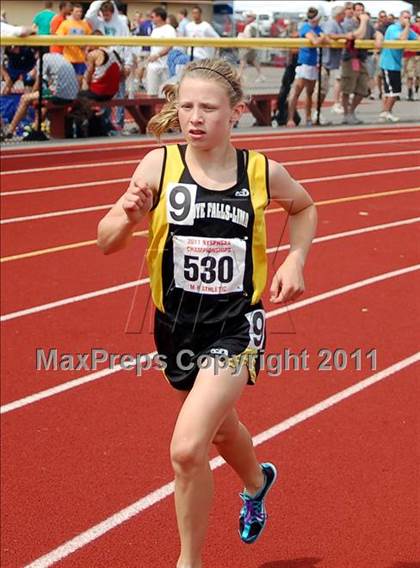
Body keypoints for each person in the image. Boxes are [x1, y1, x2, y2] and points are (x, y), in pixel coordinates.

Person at [97, 58, 317, 568]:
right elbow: (106, 242)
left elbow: (304, 207)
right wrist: (127, 219)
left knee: (187, 448)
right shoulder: (159, 166)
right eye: (186, 106)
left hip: (236, 325)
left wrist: (297, 259)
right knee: (220, 430)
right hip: (174, 325)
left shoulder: (261, 172)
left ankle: (189, 563)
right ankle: (259, 481)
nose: (193, 118)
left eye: (208, 108)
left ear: (236, 112)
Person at [3, 52, 78, 139]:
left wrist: (31, 96)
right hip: (73, 94)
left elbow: (39, 81)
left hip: (58, 92)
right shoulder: (59, 57)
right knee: (43, 103)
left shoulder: (42, 59)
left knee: (25, 98)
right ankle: (35, 129)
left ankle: (10, 130)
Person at [287, 7, 330, 127]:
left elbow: (325, 39)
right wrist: (321, 38)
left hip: (312, 64)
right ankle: (290, 118)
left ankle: (308, 117)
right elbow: (316, 41)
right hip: (304, 63)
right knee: (296, 91)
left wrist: (321, 38)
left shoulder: (317, 28)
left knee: (309, 93)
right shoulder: (306, 27)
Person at [341, 2, 381, 125]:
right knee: (347, 88)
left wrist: (379, 39)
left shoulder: (368, 24)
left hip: (362, 59)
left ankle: (352, 111)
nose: (360, 13)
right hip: (350, 58)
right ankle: (346, 114)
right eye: (357, 10)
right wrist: (363, 22)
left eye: (362, 10)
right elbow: (359, 35)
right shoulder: (348, 23)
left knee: (363, 88)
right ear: (353, 11)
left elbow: (376, 33)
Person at [378, 10, 418, 122]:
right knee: (393, 91)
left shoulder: (407, 30)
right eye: (405, 17)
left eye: (409, 18)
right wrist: (407, 27)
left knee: (392, 90)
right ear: (399, 18)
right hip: (388, 64)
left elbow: (417, 38)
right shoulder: (393, 28)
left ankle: (387, 111)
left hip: (396, 64)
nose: (407, 20)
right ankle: (385, 112)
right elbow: (402, 39)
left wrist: (408, 28)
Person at [319, 5, 352, 122]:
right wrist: (344, 36)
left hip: (332, 61)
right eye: (343, 13)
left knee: (325, 88)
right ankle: (315, 113)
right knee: (321, 89)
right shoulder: (331, 24)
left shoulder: (339, 25)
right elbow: (328, 35)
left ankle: (317, 113)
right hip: (324, 61)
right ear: (339, 14)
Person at [56, 3, 92, 84]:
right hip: (68, 58)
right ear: (72, 12)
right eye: (77, 11)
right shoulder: (65, 23)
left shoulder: (85, 24)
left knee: (79, 80)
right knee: (68, 79)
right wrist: (69, 42)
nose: (79, 13)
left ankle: (77, 96)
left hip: (81, 58)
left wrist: (85, 46)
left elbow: (90, 38)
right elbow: (59, 37)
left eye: (80, 11)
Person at [144, 7, 176, 96]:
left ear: (159, 17)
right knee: (151, 94)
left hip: (165, 66)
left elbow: (169, 46)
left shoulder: (169, 29)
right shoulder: (154, 30)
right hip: (153, 66)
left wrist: (157, 55)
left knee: (165, 95)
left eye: (153, 17)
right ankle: (152, 110)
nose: (151, 19)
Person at [237, 11, 266, 83]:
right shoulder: (250, 25)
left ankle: (239, 76)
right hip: (248, 45)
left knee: (243, 60)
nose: (247, 18)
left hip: (247, 45)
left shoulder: (252, 26)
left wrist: (247, 44)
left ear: (253, 18)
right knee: (254, 61)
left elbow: (251, 37)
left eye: (249, 16)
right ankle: (261, 75)